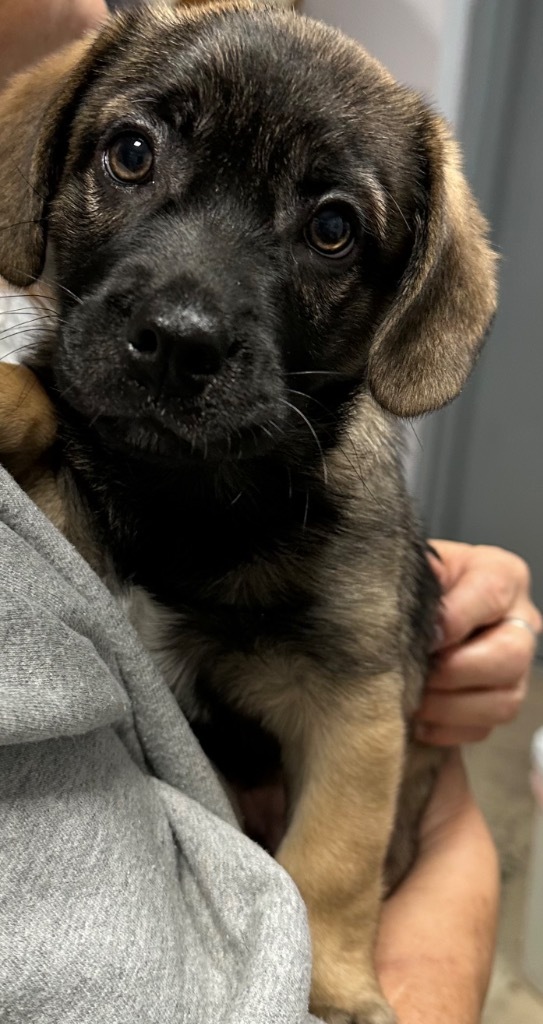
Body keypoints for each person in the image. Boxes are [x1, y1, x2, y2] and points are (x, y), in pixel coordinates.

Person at [0, 5, 541, 1023]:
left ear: (403, 296)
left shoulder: (328, 538)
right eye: (134, 155)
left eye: (330, 228)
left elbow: (353, 704)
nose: (187, 313)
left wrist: (335, 936)